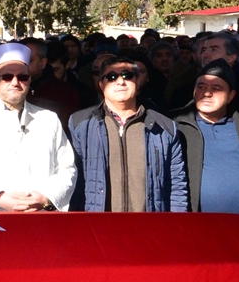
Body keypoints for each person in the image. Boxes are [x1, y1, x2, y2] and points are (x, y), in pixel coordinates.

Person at [0, 43, 76, 212]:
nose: (15, 82)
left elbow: (67, 168)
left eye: (22, 77)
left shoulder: (48, 118)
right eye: (7, 77)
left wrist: (45, 196)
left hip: (40, 216)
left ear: (29, 81)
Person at [172, 60, 239, 238]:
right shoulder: (174, 124)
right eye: (201, 86)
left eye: (217, 88)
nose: (207, 93)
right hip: (192, 232)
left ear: (231, 96)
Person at [69, 56, 187, 212]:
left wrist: (174, 227)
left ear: (138, 83)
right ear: (101, 84)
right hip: (98, 226)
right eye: (111, 77)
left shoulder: (164, 126)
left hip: (148, 228)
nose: (120, 81)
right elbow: (73, 180)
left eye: (127, 75)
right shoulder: (79, 123)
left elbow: (177, 185)